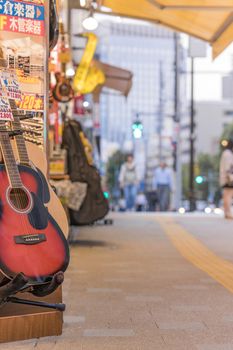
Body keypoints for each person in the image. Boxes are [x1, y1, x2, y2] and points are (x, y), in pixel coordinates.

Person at [219, 139, 233, 219]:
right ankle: (228, 212)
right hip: (228, 178)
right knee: (228, 195)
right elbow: (229, 167)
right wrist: (230, 177)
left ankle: (226, 212)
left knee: (226, 195)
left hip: (225, 177)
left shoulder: (225, 153)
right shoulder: (228, 154)